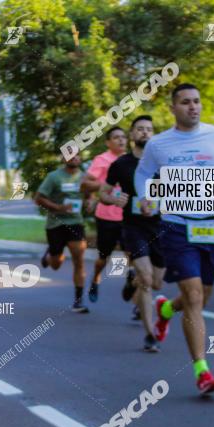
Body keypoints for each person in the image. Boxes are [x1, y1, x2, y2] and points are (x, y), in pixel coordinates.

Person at [135, 83, 214, 394]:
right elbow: (143, 175)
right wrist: (145, 196)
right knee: (194, 297)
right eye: (185, 102)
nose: (193, 107)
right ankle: (202, 370)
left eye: (196, 102)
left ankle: (167, 310)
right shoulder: (159, 144)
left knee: (202, 297)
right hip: (176, 224)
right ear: (173, 108)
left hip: (211, 224)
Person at [99, 115, 164, 351]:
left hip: (160, 227)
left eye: (149, 129)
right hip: (133, 227)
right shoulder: (121, 164)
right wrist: (115, 198)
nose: (145, 133)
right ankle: (150, 334)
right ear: (132, 134)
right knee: (147, 279)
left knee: (156, 282)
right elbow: (103, 194)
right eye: (140, 129)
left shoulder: (163, 163)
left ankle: (132, 282)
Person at [35, 154, 91, 313]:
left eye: (77, 154)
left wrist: (88, 201)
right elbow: (38, 198)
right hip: (56, 225)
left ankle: (78, 301)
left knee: (79, 259)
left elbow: (88, 194)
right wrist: (58, 208)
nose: (74, 157)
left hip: (76, 223)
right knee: (56, 265)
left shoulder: (84, 177)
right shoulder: (54, 177)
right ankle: (50, 255)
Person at [81, 127, 128, 303]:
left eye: (123, 137)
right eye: (116, 137)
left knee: (134, 255)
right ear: (108, 142)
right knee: (104, 257)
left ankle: (132, 283)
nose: (121, 140)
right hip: (107, 216)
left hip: (128, 216)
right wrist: (107, 184)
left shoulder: (131, 160)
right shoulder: (102, 160)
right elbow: (85, 184)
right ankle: (95, 279)